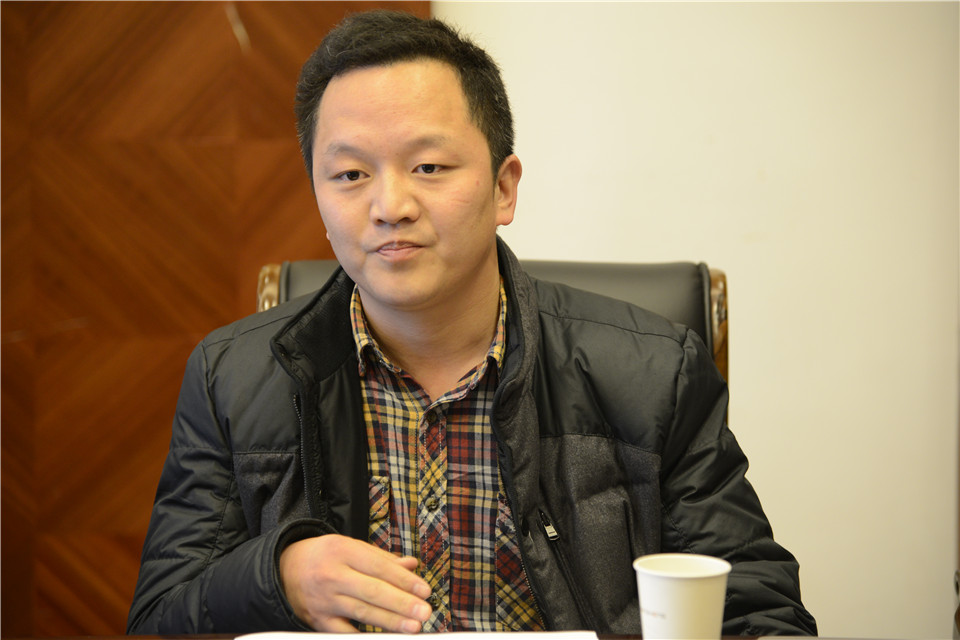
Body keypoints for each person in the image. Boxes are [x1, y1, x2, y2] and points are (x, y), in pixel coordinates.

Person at [127, 9, 817, 636]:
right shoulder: (231, 378)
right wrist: (275, 578)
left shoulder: (654, 373)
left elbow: (760, 613)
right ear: (318, 195)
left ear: (504, 187)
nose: (390, 206)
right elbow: (160, 617)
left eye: (428, 166)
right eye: (350, 175)